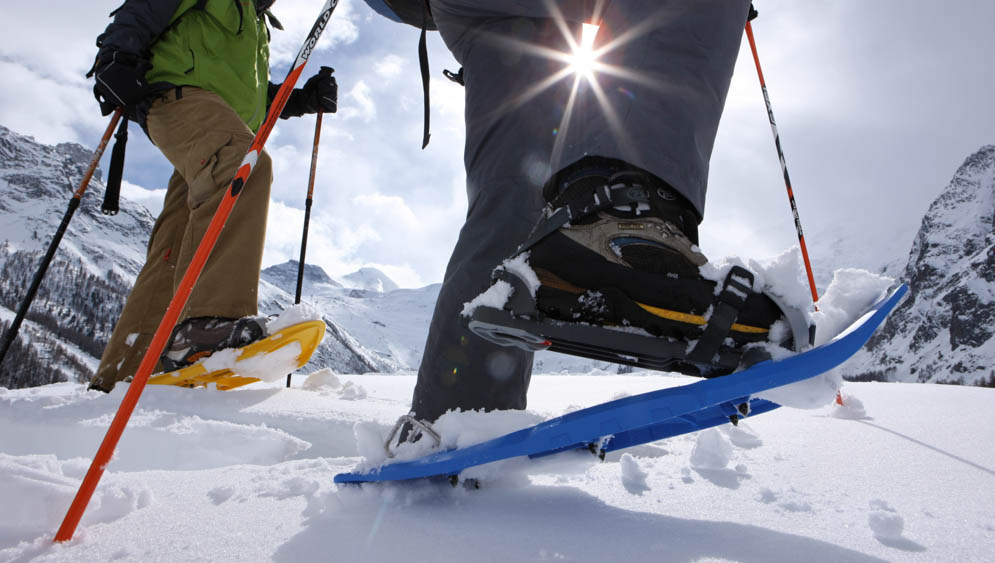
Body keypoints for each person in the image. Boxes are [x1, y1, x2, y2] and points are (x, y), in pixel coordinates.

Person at [364, 0, 800, 429]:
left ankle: (459, 420)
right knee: (533, 209)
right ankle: (621, 230)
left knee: (522, 211)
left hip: (486, 18)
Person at [88, 0, 337, 392]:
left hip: (217, 120)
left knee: (174, 247)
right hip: (179, 97)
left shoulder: (258, 26)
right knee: (243, 166)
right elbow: (145, 7)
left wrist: (302, 100)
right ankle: (206, 327)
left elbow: (248, 94)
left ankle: (124, 374)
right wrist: (117, 55)